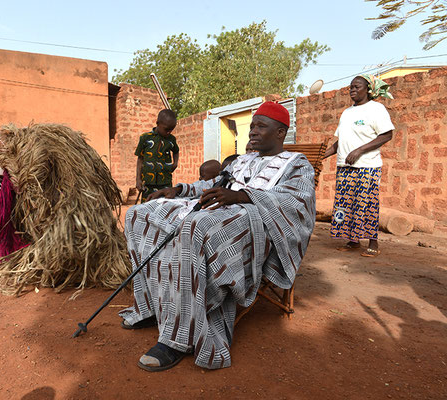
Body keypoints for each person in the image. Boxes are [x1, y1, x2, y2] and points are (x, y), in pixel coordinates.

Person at [120, 102, 316, 371]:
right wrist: (178, 189)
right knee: (139, 214)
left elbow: (297, 203)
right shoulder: (244, 159)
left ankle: (180, 337)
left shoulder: (298, 164)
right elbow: (213, 185)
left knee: (196, 226)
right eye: (253, 126)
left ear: (280, 132)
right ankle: (151, 306)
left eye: (261, 126)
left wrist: (241, 197)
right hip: (219, 208)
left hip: (253, 221)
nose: (253, 132)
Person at [323, 74, 394, 257]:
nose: (352, 90)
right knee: (345, 204)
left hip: (367, 166)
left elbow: (387, 135)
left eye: (356, 87)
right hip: (345, 167)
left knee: (367, 203)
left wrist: (359, 151)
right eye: (350, 87)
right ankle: (352, 241)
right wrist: (321, 156)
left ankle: (373, 242)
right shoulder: (347, 113)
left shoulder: (376, 109)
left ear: (368, 90)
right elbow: (340, 142)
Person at [135, 109, 179, 202]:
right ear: (157, 123)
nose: (169, 132)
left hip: (165, 183)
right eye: (166, 129)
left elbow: (176, 151)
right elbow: (140, 159)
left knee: (165, 206)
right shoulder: (145, 138)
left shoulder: (171, 139)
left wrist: (175, 163)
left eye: (171, 130)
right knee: (146, 206)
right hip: (148, 183)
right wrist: (138, 179)